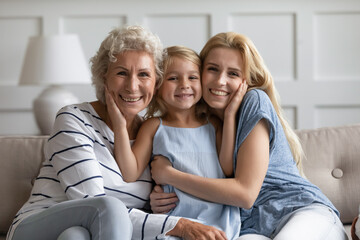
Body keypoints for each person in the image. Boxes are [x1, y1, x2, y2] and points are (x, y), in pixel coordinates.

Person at [7, 26, 224, 240]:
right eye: (121, 73)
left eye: (143, 74)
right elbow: (95, 204)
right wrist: (180, 225)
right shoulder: (73, 119)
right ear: (104, 77)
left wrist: (158, 203)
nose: (132, 86)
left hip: (97, 232)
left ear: (156, 83)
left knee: (76, 236)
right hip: (37, 225)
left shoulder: (151, 133)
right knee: (105, 209)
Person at [150, 32, 349, 240]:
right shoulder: (196, 122)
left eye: (233, 74)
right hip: (247, 228)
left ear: (246, 80)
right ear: (200, 72)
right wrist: (159, 198)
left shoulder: (254, 101)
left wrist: (171, 176)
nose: (220, 81)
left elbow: (245, 194)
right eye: (212, 69)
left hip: (299, 211)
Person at [106, 45, 247, 240]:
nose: (184, 85)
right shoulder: (154, 126)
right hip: (176, 222)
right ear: (157, 86)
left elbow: (227, 167)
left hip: (219, 221)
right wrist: (120, 126)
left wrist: (230, 116)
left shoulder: (214, 124)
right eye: (173, 78)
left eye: (192, 77)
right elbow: (130, 173)